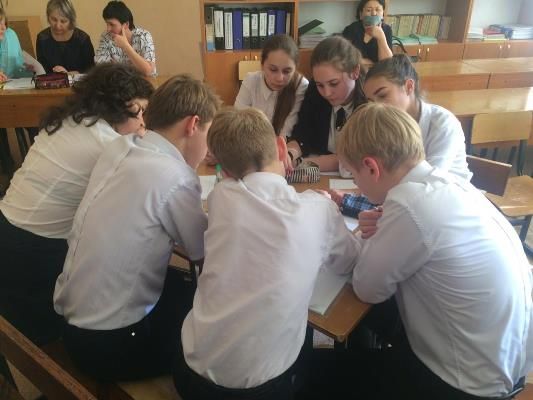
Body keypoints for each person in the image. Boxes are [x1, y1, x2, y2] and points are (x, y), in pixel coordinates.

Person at [337, 102, 533, 399]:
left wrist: (371, 240)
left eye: (354, 176)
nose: (357, 187)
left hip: (464, 383)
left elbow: (367, 289)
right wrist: (382, 231)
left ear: (372, 167)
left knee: (331, 372)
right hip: (507, 362)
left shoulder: (411, 204)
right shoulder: (449, 183)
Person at [174, 107, 358, 399]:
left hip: (189, 375)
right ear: (282, 147)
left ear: (225, 172)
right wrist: (326, 209)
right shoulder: (319, 210)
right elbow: (349, 260)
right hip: (262, 391)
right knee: (327, 362)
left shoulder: (222, 196)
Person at [53, 75, 221, 381]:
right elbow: (205, 254)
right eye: (208, 134)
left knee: (180, 286)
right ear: (193, 124)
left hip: (72, 325)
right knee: (215, 336)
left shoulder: (120, 147)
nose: (207, 147)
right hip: (112, 345)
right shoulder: (176, 177)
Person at [0, 63, 153, 349]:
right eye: (140, 112)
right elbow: (149, 187)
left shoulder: (72, 119)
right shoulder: (109, 144)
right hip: (34, 254)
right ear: (118, 109)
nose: (144, 121)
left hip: (7, 228)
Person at [330, 54, 471, 218]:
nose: (376, 106)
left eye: (382, 95)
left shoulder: (442, 123)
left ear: (409, 87)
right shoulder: (386, 126)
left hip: (446, 208)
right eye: (370, 101)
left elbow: (426, 186)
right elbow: (355, 167)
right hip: (405, 202)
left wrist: (352, 195)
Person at [287, 36, 366, 173]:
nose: (327, 93)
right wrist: (289, 154)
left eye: (334, 83)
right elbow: (303, 134)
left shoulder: (370, 99)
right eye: (320, 85)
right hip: (323, 176)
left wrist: (301, 164)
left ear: (355, 72)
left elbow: (360, 156)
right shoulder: (315, 92)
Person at [235, 34, 308, 139]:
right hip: (251, 141)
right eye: (273, 70)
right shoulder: (251, 80)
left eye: (287, 71)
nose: (279, 78)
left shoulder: (300, 85)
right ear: (262, 65)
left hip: (281, 144)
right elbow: (238, 121)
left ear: (295, 68)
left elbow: (285, 133)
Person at [94, 1, 156, 77]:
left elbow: (148, 71)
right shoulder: (106, 36)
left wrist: (126, 46)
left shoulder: (144, 36)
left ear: (126, 24)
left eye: (112, 24)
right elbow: (101, 69)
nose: (108, 29)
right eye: (107, 24)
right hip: (118, 83)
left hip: (144, 82)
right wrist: (136, 67)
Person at [36, 0, 95, 74]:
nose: (58, 26)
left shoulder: (82, 39)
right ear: (48, 17)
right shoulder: (42, 38)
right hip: (52, 80)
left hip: (79, 80)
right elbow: (42, 68)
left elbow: (92, 69)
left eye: (63, 21)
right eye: (54, 19)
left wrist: (75, 73)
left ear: (71, 21)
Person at [342, 0, 392, 65]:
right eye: (368, 10)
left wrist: (381, 37)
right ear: (361, 14)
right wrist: (363, 61)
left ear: (383, 14)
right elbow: (343, 56)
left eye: (377, 10)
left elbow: (388, 63)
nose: (373, 14)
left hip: (379, 70)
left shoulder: (387, 29)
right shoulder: (351, 29)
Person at [0, 7, 34, 82]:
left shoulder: (10, 34)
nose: (3, 28)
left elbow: (18, 65)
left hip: (10, 84)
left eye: (4, 24)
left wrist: (27, 69)